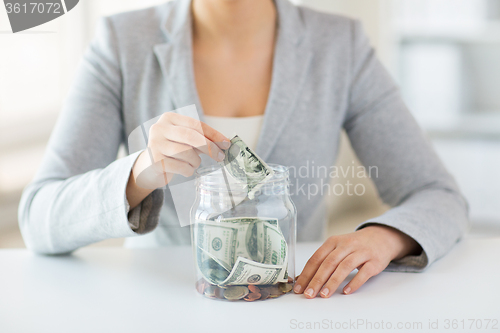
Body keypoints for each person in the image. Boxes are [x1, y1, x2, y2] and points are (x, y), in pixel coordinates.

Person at [19, 0, 469, 299]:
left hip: (293, 306)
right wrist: (140, 174)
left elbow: (439, 195)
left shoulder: (340, 46)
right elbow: (38, 219)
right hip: (163, 308)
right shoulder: (121, 43)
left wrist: (383, 238)